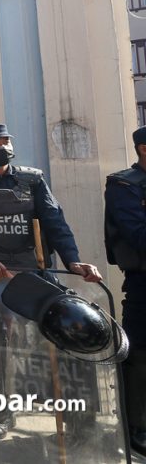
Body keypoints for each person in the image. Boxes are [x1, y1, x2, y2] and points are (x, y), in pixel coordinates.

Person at [0, 122, 102, 439]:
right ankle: (2, 412)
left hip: (34, 274)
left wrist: (73, 260)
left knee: (66, 331)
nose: (3, 146)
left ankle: (78, 417)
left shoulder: (32, 179)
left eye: (5, 140)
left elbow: (55, 222)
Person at [103, 125, 146, 456]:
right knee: (141, 355)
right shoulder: (124, 185)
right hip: (143, 281)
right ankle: (138, 426)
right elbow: (137, 234)